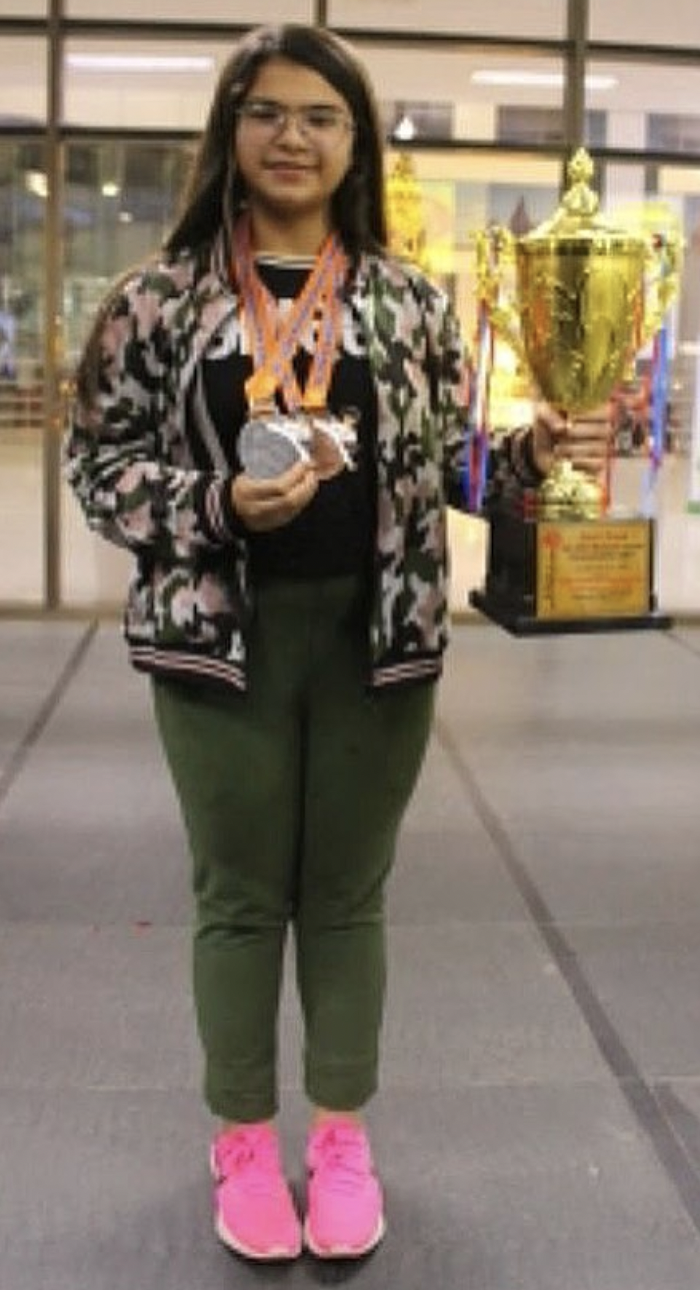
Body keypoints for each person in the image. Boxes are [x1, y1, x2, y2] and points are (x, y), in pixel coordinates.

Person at [65, 23, 611, 1265]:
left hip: (377, 643)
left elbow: (451, 469)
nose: (293, 136)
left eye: (321, 116)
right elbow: (98, 470)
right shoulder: (158, 300)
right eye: (267, 111)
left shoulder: (409, 303)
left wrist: (528, 456)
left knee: (348, 897)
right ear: (231, 130)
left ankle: (342, 1135)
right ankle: (244, 1139)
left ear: (356, 143)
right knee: (240, 895)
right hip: (221, 643)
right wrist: (217, 504)